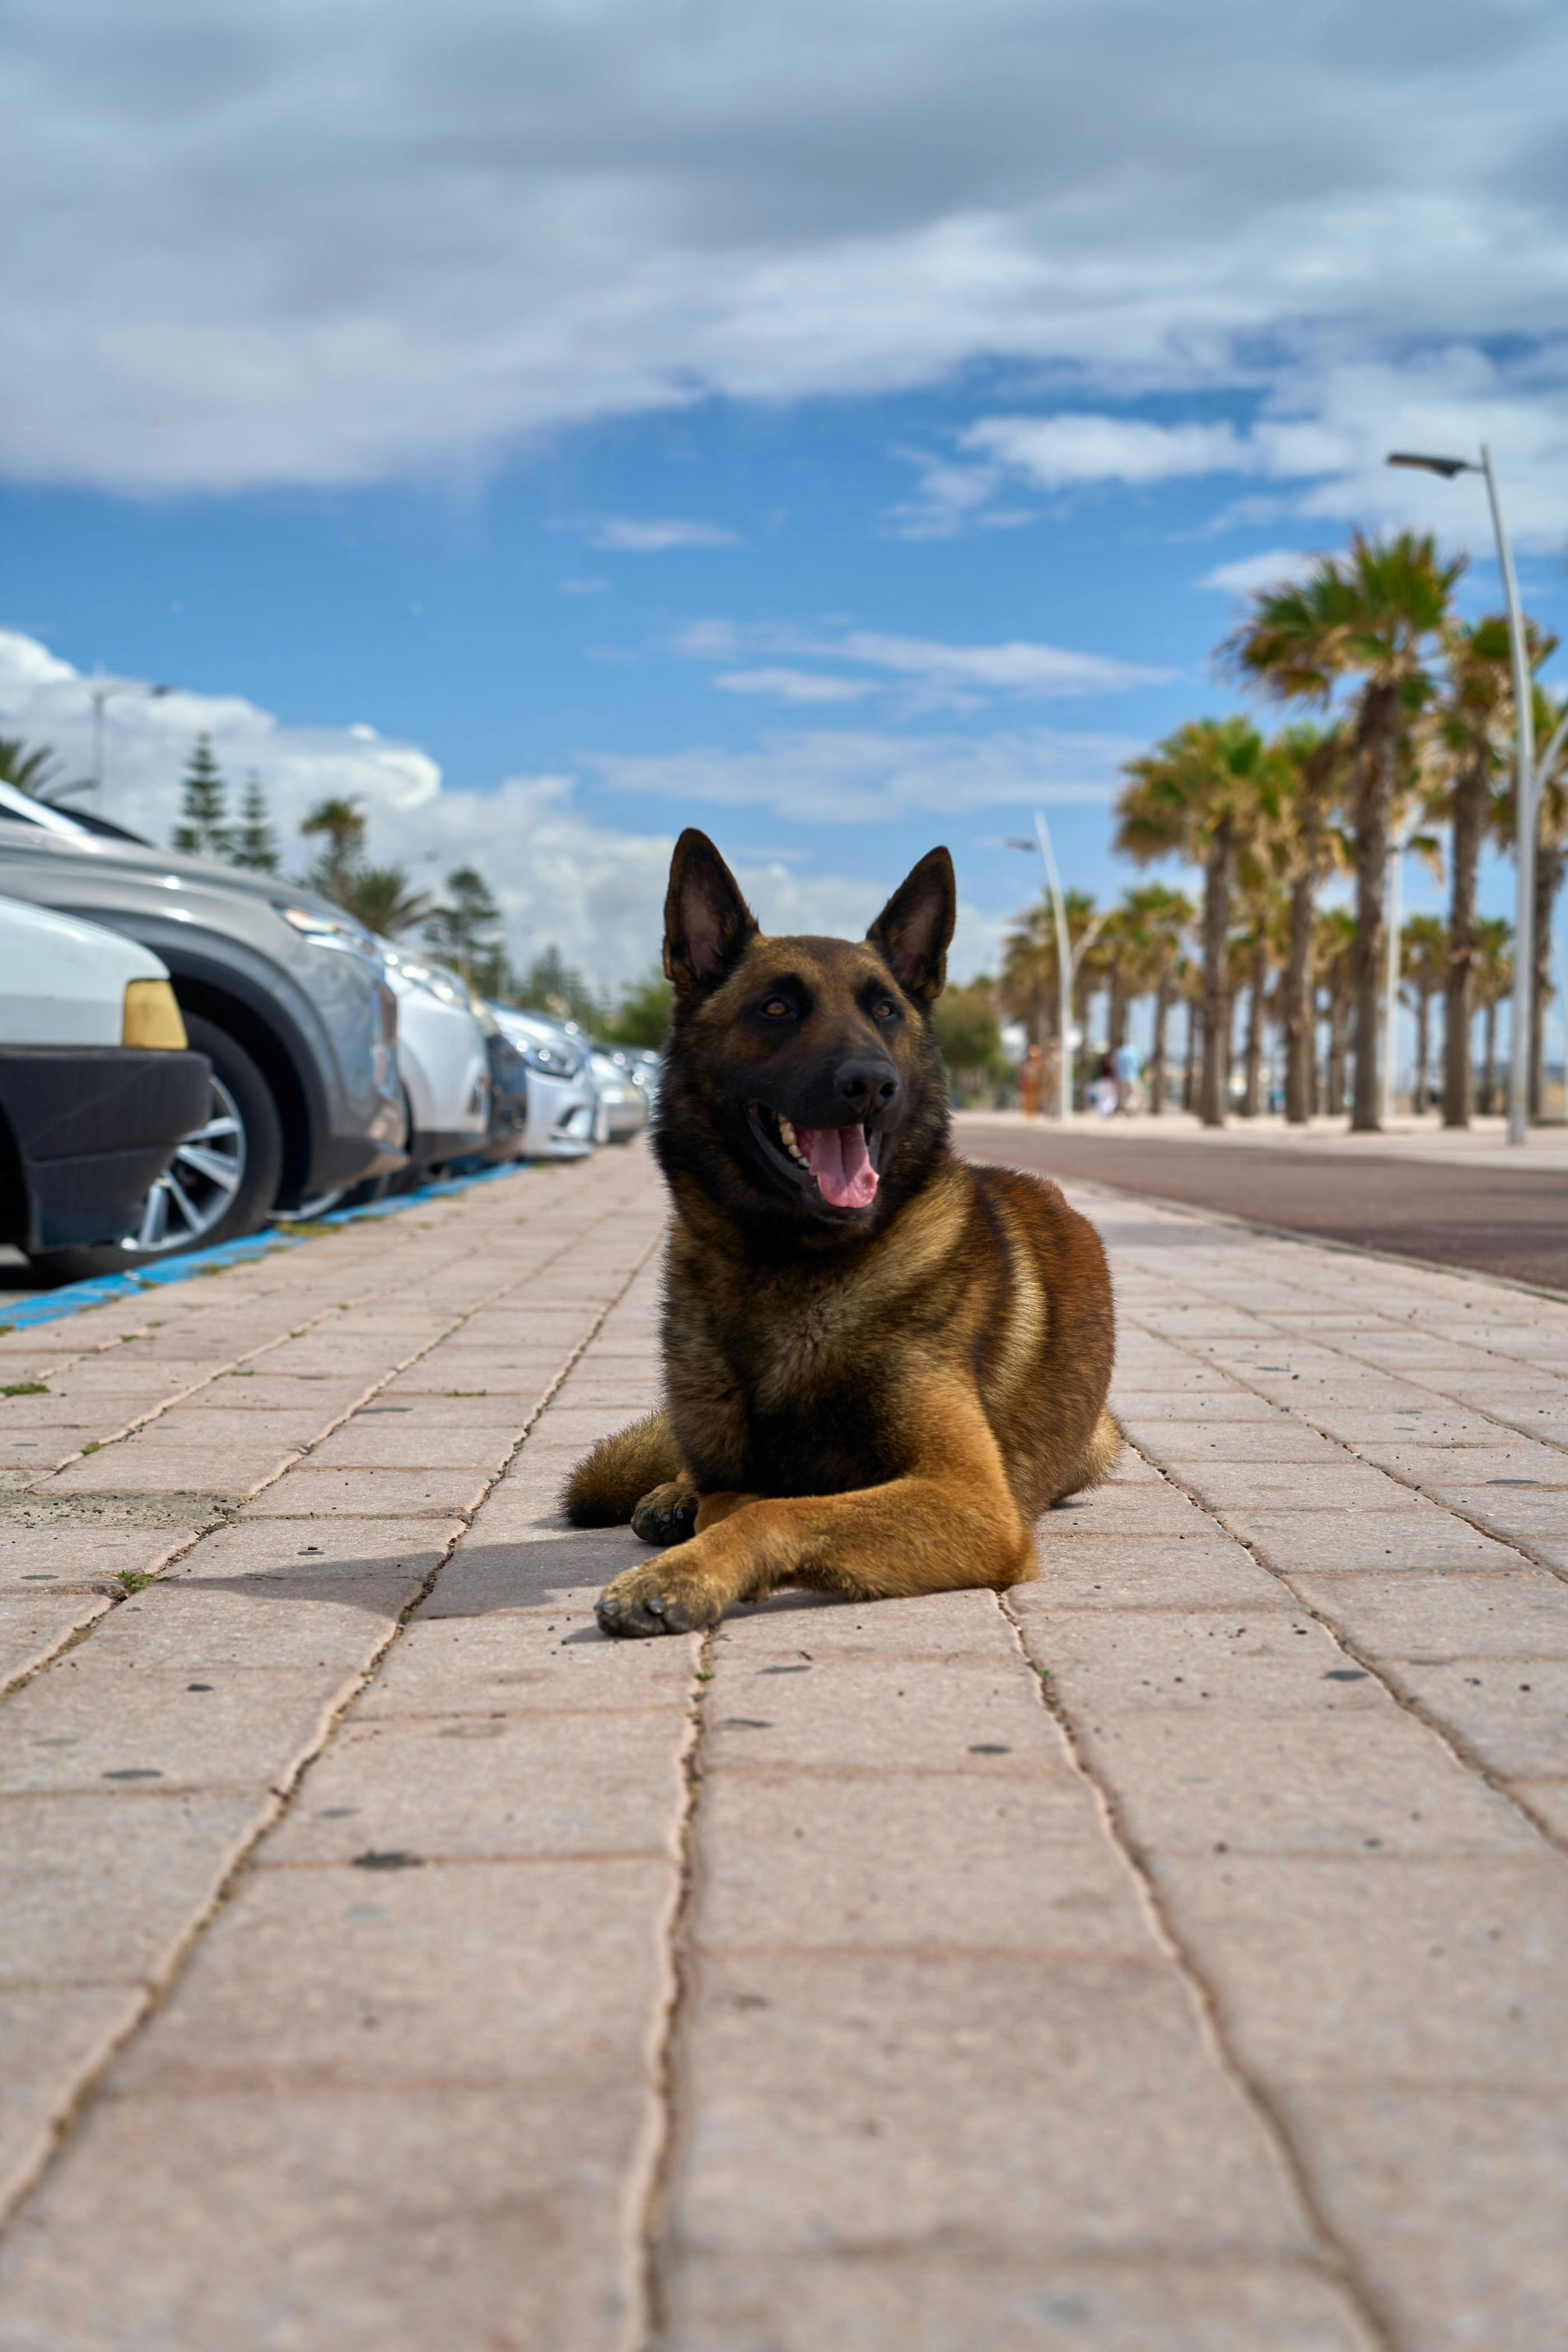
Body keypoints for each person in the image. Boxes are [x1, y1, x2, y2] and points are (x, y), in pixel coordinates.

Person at [1112, 1038, 1141, 1115]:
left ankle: (1123, 1109)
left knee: (1123, 1095)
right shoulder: (1134, 1052)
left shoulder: (1119, 1052)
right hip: (1132, 1077)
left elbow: (1115, 1065)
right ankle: (1130, 1108)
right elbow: (1137, 1065)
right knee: (1134, 1094)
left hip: (1120, 1077)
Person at [1018, 1042, 1043, 1117]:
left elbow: (1041, 1074)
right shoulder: (1026, 1064)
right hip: (1027, 1083)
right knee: (1027, 1099)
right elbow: (1023, 1073)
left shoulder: (1039, 1064)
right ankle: (1028, 1112)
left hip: (1035, 1084)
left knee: (1035, 1099)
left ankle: (1033, 1111)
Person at [1092, 1051, 1118, 1118]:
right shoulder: (1109, 1066)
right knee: (1108, 1098)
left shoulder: (1102, 1065)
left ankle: (1104, 1113)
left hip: (1103, 1082)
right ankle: (1104, 1113)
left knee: (1105, 1099)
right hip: (1106, 1083)